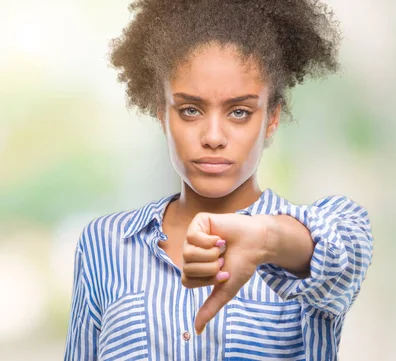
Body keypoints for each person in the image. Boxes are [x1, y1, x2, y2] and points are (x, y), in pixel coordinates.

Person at [63, 0, 374, 360]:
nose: (213, 136)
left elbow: (346, 249)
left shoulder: (321, 238)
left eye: (239, 112)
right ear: (162, 113)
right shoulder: (104, 246)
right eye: (190, 110)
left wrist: (265, 240)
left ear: (271, 118)